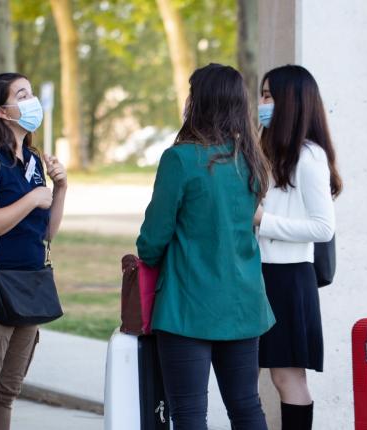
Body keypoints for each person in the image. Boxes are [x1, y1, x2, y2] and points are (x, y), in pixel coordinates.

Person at [136, 63, 275, 430]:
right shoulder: (251, 160)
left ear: (199, 102)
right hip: (244, 303)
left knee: (189, 413)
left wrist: (148, 256)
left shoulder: (180, 158)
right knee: (246, 407)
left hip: (188, 305)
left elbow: (153, 238)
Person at [0, 73, 67, 430]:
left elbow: (46, 231)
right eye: (22, 94)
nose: (32, 100)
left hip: (29, 286)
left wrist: (60, 187)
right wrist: (32, 198)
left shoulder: (33, 161)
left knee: (6, 394)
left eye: (32, 92)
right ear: (2, 111)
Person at [255, 65, 342, 430]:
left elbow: (324, 228)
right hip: (259, 274)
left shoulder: (309, 156)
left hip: (289, 279)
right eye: (262, 95)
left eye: (269, 96)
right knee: (263, 378)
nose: (261, 103)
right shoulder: (267, 149)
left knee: (288, 379)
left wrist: (263, 221)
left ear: (291, 102)